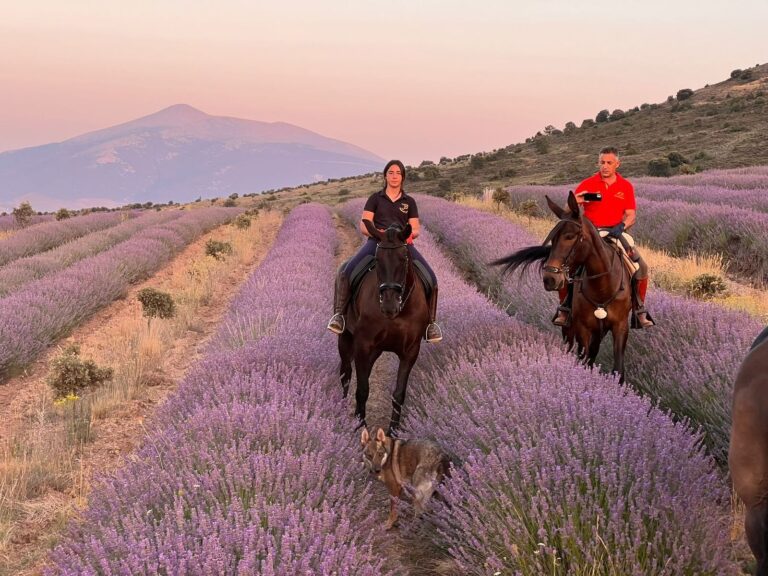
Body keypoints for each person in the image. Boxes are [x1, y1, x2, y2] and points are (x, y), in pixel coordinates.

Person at [327, 160, 443, 343]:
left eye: (398, 173)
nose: (394, 176)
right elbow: (364, 225)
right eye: (391, 172)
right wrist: (380, 234)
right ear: (385, 176)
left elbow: (416, 229)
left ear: (402, 177)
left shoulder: (409, 201)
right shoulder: (375, 198)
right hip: (377, 243)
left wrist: (405, 235)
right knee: (348, 271)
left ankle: (430, 324)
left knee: (431, 278)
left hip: (402, 246)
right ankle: (340, 315)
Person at [553, 146, 655, 329]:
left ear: (617, 164)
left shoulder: (625, 186)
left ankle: (639, 309)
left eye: (609, 162)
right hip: (589, 234)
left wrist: (622, 226)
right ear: (598, 163)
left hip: (616, 232)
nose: (605, 166)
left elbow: (631, 214)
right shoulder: (587, 184)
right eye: (602, 162)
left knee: (641, 267)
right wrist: (575, 201)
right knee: (567, 266)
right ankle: (565, 308)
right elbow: (567, 212)